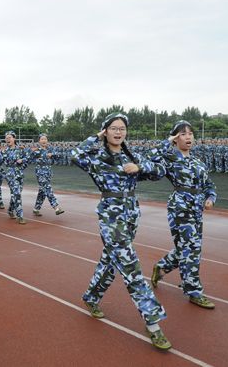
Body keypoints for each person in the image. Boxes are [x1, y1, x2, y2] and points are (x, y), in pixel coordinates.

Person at [72, 113, 171, 350]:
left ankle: (91, 297)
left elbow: (159, 170)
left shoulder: (131, 156)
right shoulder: (96, 158)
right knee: (131, 267)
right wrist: (94, 137)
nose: (119, 132)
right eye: (113, 128)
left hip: (131, 215)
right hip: (111, 216)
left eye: (122, 129)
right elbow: (74, 154)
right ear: (105, 131)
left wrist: (139, 166)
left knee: (110, 262)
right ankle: (153, 322)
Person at [151, 121, 217, 309]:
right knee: (191, 250)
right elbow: (149, 157)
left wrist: (210, 198)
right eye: (182, 134)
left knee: (187, 248)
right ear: (175, 138)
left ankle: (162, 266)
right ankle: (194, 292)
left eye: (190, 133)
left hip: (197, 210)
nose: (188, 137)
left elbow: (209, 185)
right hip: (180, 209)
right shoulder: (169, 159)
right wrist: (167, 141)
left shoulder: (198, 162)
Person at [29, 133, 64, 216]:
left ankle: (36, 208)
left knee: (42, 191)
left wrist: (52, 154)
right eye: (42, 139)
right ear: (39, 141)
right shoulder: (37, 151)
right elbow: (28, 156)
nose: (44, 140)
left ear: (47, 140)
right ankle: (56, 207)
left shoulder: (50, 149)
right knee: (47, 188)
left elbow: (60, 156)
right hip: (40, 172)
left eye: (45, 139)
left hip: (48, 172)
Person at [3, 131, 28, 224]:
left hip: (20, 174)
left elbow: (27, 158)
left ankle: (10, 209)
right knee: (17, 194)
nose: (8, 139)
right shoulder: (5, 151)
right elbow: (6, 163)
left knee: (15, 194)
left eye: (10, 137)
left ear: (14, 139)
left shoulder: (21, 149)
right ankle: (20, 215)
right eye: (6, 138)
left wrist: (22, 161)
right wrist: (15, 162)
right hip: (11, 174)